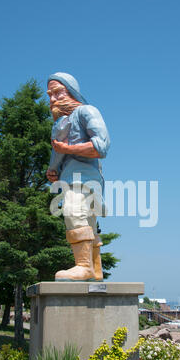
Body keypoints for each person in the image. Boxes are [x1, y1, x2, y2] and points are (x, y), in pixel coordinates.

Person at [46, 72, 110, 282]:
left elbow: (101, 146)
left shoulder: (87, 111)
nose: (53, 99)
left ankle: (83, 266)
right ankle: (95, 269)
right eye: (50, 94)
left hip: (86, 177)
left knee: (73, 213)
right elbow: (60, 153)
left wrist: (68, 147)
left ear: (71, 91)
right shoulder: (62, 122)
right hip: (70, 178)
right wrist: (53, 169)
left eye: (58, 92)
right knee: (87, 222)